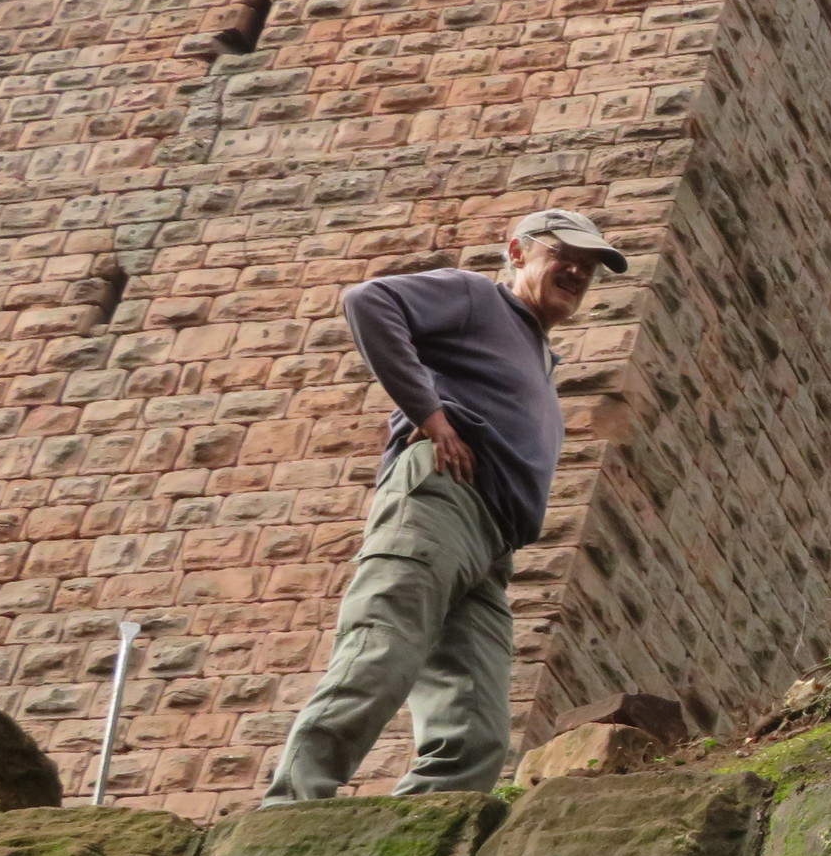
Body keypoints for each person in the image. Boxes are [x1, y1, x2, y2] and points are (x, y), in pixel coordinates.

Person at [261, 210, 629, 802]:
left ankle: (416, 833)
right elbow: (368, 301)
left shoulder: (536, 351)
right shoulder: (477, 298)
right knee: (382, 649)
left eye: (589, 266)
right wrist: (431, 418)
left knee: (477, 731)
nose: (578, 272)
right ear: (517, 252)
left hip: (490, 546)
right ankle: (289, 808)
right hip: (441, 499)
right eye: (563, 255)